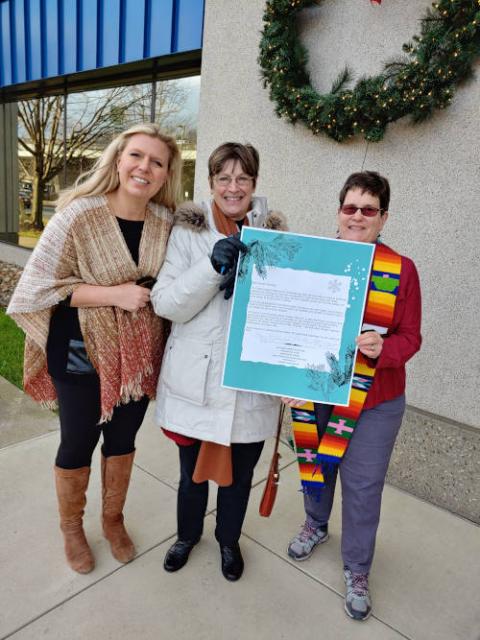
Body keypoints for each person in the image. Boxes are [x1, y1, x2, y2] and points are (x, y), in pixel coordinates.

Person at [7, 123, 181, 574]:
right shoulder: (79, 216)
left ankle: (112, 518)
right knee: (78, 439)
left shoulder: (167, 224)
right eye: (137, 156)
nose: (145, 167)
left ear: (166, 174)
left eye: (156, 162)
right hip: (80, 346)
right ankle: (71, 527)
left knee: (123, 439)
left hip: (140, 352)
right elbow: (38, 287)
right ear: (118, 160)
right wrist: (114, 294)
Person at [283, 171, 421, 621]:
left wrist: (386, 349)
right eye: (350, 207)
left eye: (369, 209)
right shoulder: (312, 258)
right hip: (317, 390)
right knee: (316, 466)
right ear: (338, 211)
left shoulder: (400, 269)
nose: (358, 216)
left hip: (375, 399)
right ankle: (316, 524)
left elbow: (411, 337)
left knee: (362, 487)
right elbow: (288, 324)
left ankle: (357, 568)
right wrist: (283, 377)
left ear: (383, 218)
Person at [150, 142, 286, 581]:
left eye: (242, 179)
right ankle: (187, 536)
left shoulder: (275, 238)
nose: (233, 187)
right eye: (224, 178)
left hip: (248, 384)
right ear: (210, 183)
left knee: (240, 477)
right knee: (192, 476)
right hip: (198, 380)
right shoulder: (188, 232)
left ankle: (229, 541)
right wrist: (211, 267)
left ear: (254, 184)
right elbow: (167, 303)